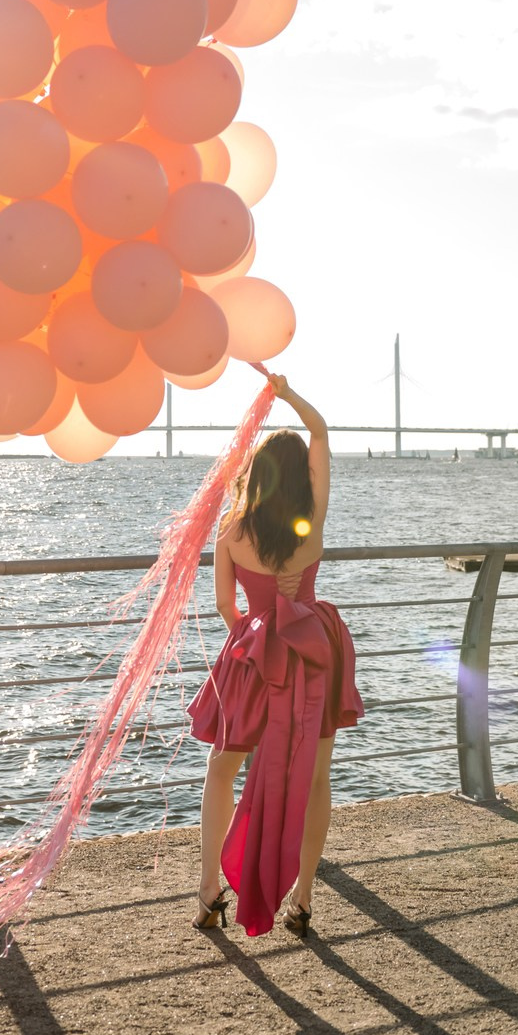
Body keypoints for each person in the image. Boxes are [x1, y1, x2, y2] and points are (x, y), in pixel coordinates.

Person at [187, 374, 363, 939]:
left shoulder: (232, 530)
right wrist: (285, 395)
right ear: (299, 477)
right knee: (314, 776)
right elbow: (320, 431)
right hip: (316, 651)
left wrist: (253, 640)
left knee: (222, 770)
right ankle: (304, 899)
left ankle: (209, 889)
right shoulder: (311, 520)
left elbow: (223, 605)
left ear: (257, 476)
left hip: (255, 657)